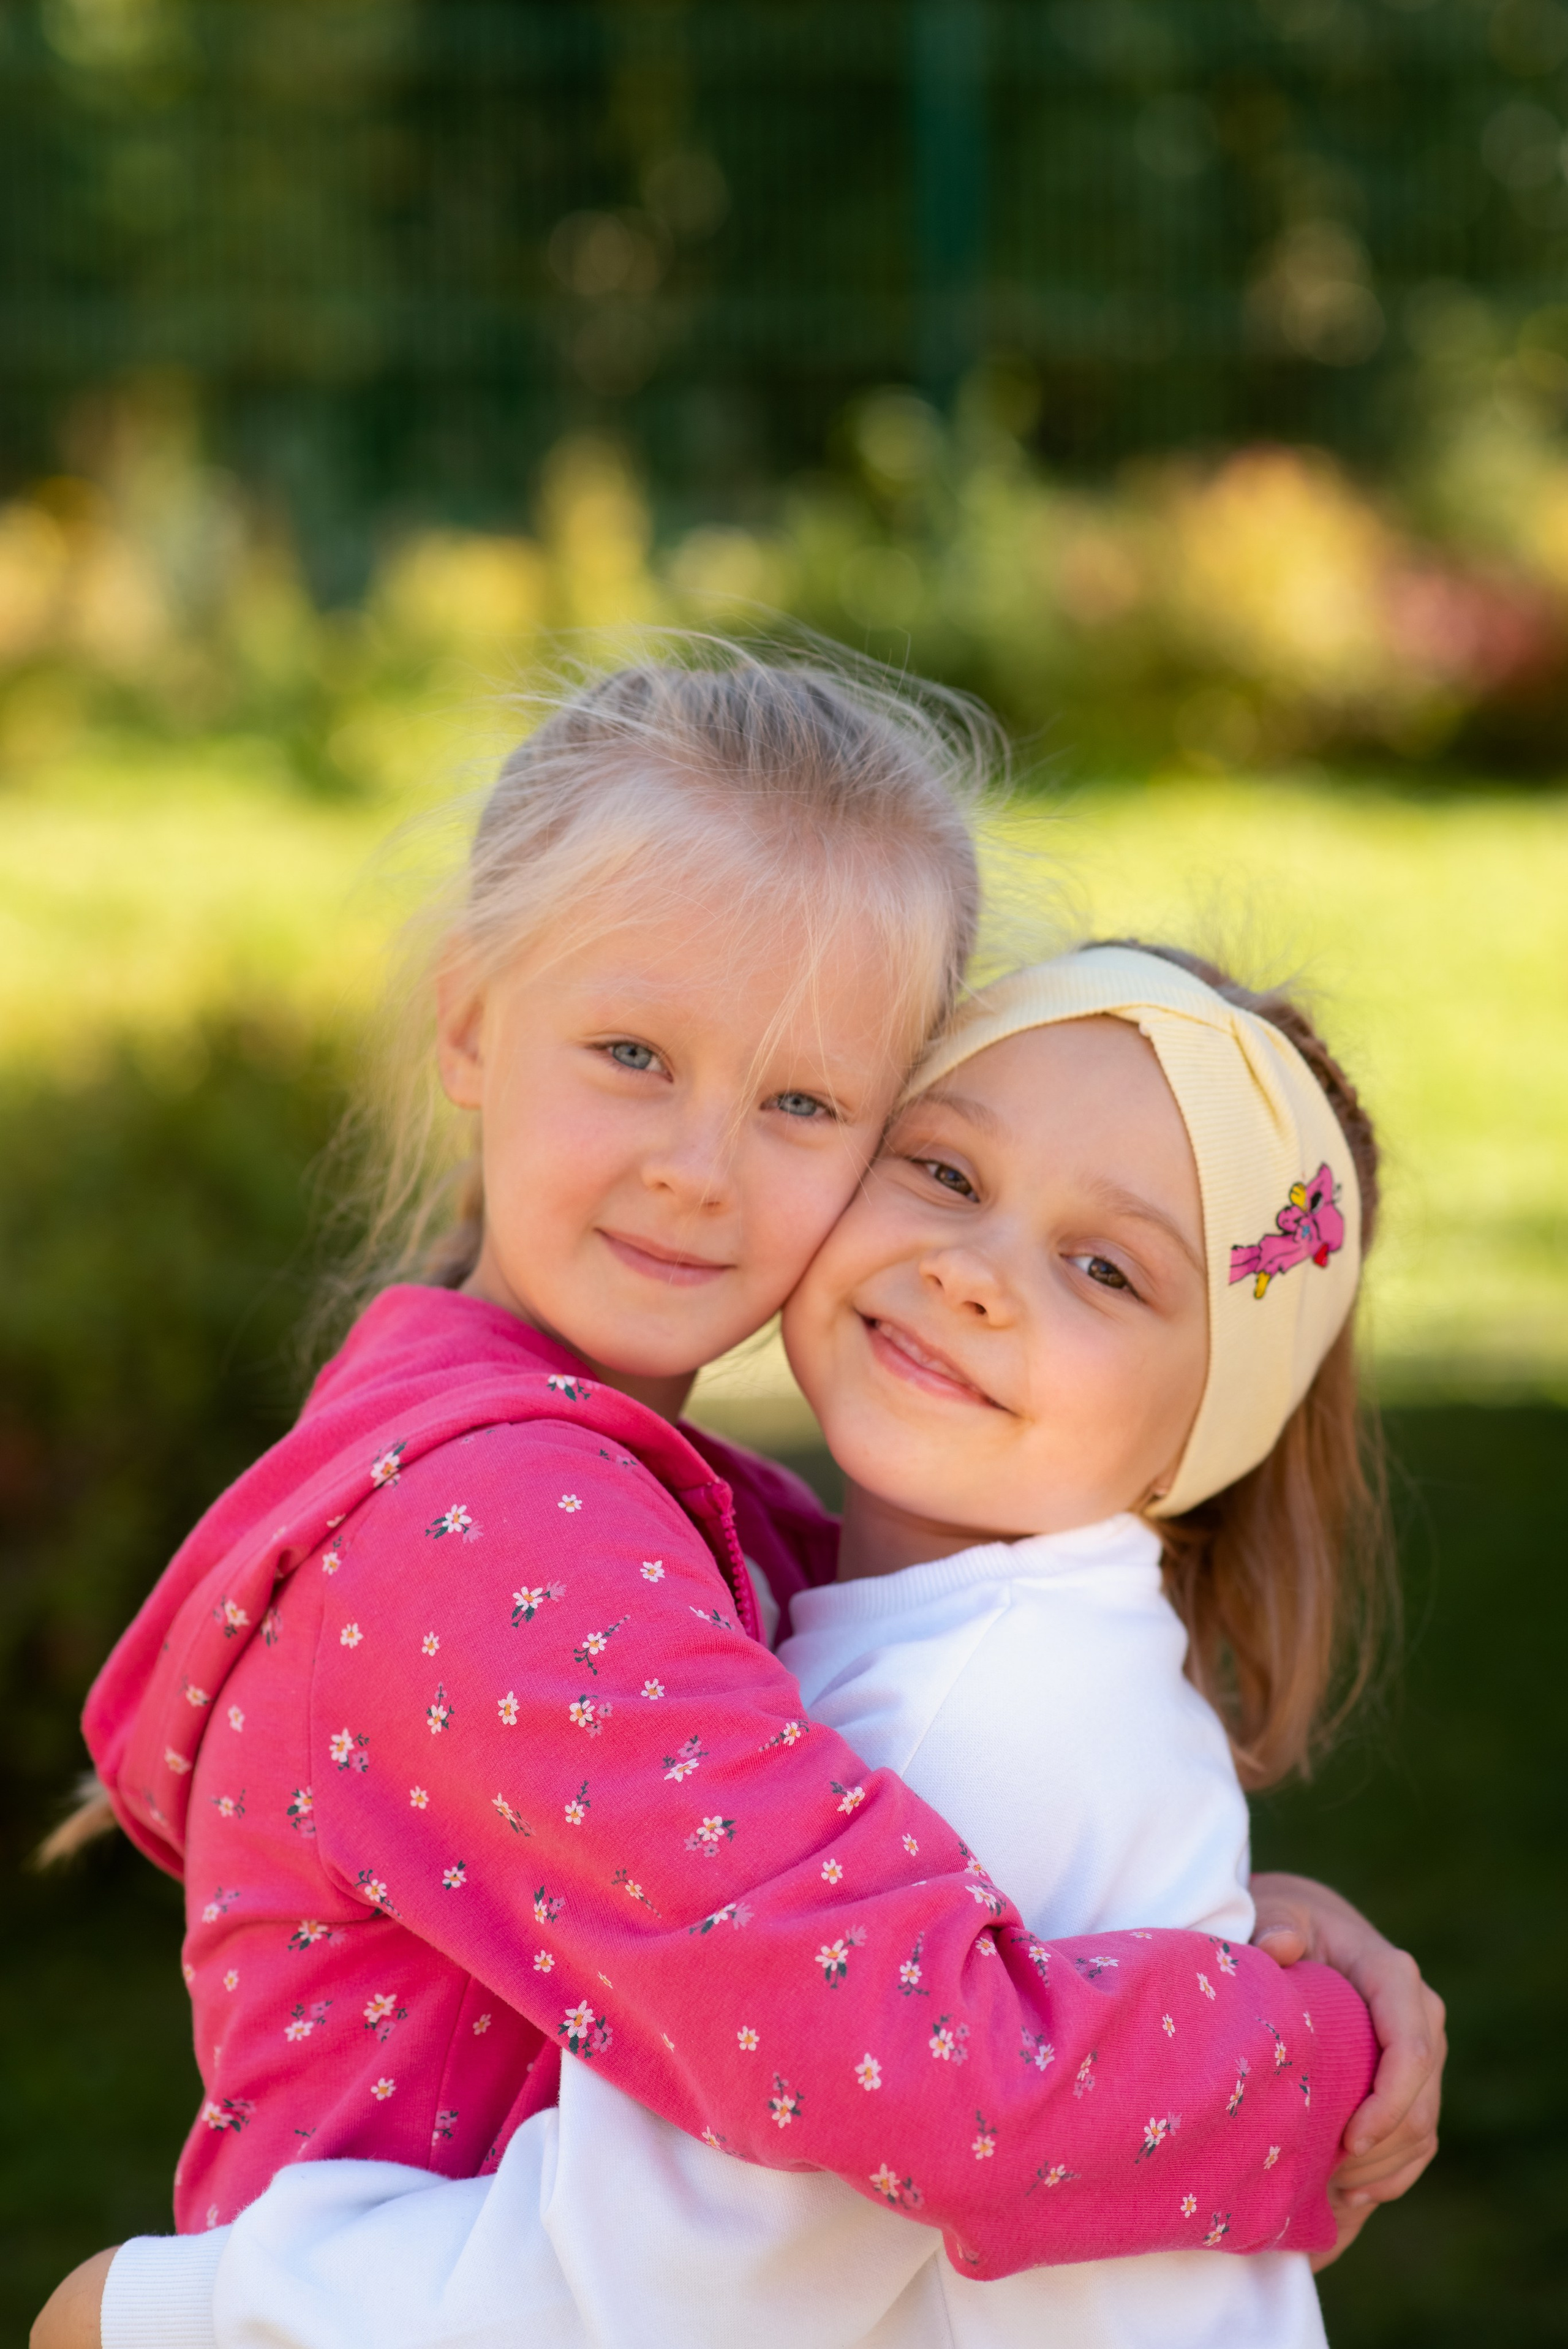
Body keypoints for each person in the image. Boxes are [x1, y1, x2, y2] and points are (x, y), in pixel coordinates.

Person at [35, 664, 1443, 2343]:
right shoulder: (522, 1535)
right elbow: (919, 2072)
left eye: (802, 1104)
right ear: (473, 1019)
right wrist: (1310, 2057)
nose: (699, 1166)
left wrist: (1231, 1919)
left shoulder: (701, 1518)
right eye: (635, 1053)